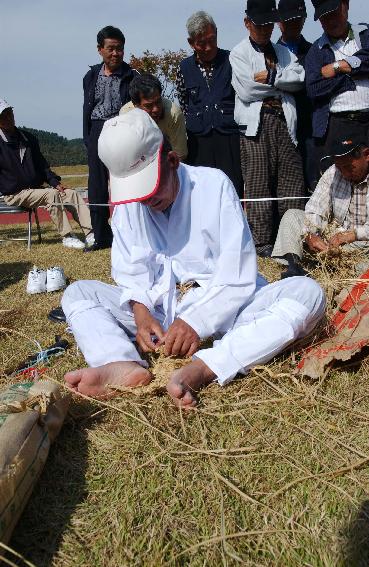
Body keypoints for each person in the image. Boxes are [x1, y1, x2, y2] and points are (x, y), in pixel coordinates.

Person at [61, 109, 325, 408]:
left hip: (228, 312)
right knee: (78, 293)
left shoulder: (213, 185)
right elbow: (130, 270)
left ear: (171, 161)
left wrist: (196, 321)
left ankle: (204, 367)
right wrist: (140, 309)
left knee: (307, 293)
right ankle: (120, 363)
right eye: (137, 195)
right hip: (162, 315)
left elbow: (237, 276)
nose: (146, 201)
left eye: (150, 188)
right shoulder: (129, 206)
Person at [230, 0, 306, 258]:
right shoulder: (239, 53)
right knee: (257, 183)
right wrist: (283, 83)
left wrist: (273, 78)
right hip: (256, 123)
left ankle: (292, 242)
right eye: (259, 25)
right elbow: (247, 90)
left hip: (284, 120)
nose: (264, 30)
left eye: (268, 25)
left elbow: (300, 78)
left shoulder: (283, 52)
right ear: (247, 23)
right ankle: (261, 244)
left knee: (291, 182)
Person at [271, 126, 369, 278]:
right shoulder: (333, 172)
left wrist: (353, 234)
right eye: (339, 166)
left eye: (349, 167)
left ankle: (341, 270)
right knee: (292, 216)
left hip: (363, 243)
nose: (343, 172)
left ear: (366, 155)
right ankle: (293, 267)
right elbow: (315, 208)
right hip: (335, 238)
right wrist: (310, 234)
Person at [0, 99, 93, 249]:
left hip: (36, 189)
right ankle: (67, 236)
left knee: (71, 194)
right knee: (51, 195)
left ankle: (91, 233)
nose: (7, 118)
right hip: (15, 193)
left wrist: (55, 183)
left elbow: (43, 167)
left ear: (13, 113)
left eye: (8, 113)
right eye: (2, 116)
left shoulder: (28, 138)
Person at [176, 11, 244, 199]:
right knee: (202, 194)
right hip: (199, 141)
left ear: (216, 33)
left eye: (212, 40)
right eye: (201, 43)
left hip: (229, 137)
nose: (208, 47)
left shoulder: (232, 60)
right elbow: (184, 103)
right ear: (191, 43)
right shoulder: (183, 68)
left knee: (231, 190)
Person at [83, 25, 136, 251]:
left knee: (124, 183)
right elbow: (87, 106)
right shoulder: (90, 75)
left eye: (120, 49)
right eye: (111, 49)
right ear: (100, 50)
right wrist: (87, 137)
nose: (116, 53)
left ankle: (129, 235)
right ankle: (101, 237)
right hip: (96, 129)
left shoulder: (131, 76)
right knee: (96, 186)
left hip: (121, 130)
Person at [306, 0, 369, 186]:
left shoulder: (365, 34)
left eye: (333, 13)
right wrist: (350, 76)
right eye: (324, 17)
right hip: (340, 124)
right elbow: (314, 88)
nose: (330, 20)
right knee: (344, 179)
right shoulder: (315, 51)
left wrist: (338, 66)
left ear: (345, 5)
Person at [277, 0, 315, 191]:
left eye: (298, 20)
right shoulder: (266, 54)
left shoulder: (315, 52)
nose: (293, 24)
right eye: (288, 20)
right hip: (278, 132)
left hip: (309, 131)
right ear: (278, 22)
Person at [120, 73, 188, 161]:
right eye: (148, 106)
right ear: (136, 105)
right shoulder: (126, 115)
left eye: (158, 102)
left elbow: (180, 155)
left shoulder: (174, 114)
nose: (156, 109)